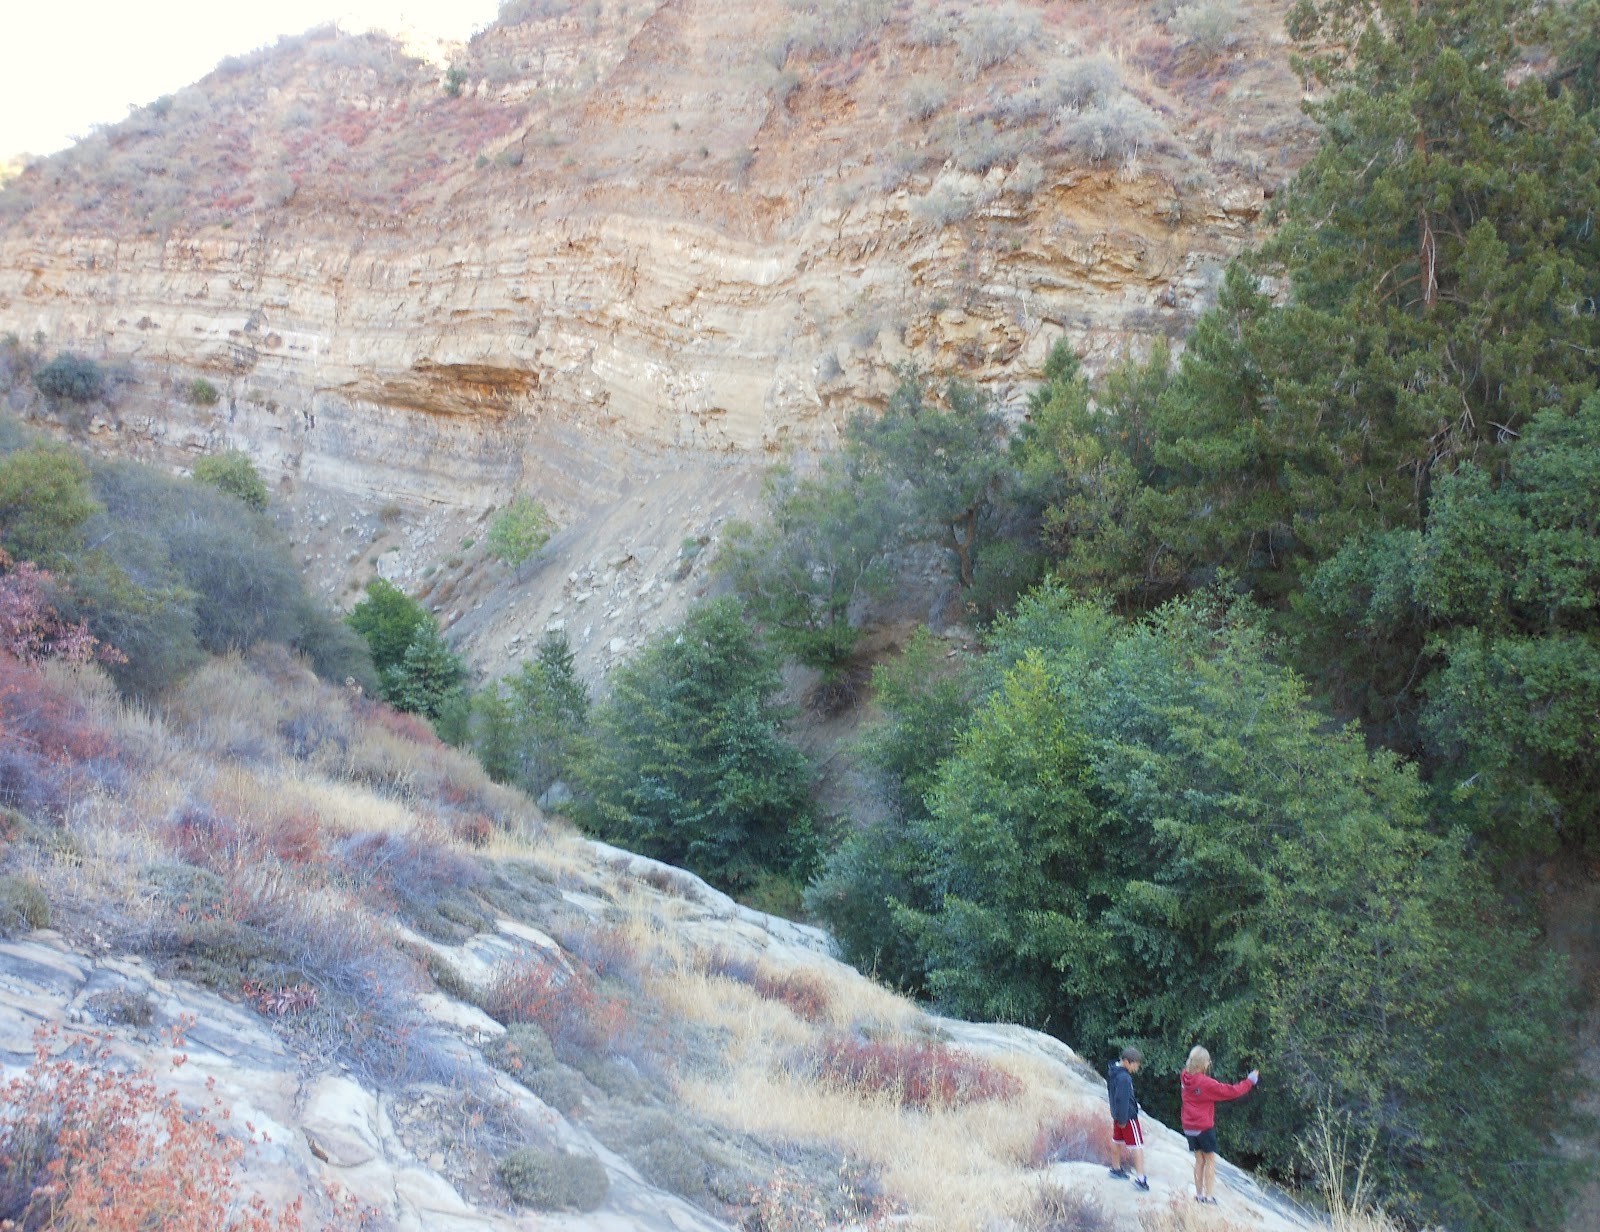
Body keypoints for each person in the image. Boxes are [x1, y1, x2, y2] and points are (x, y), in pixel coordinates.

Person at [1179, 1045, 1258, 1205]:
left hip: (1189, 1126)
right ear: (1203, 1064)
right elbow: (1232, 1091)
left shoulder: (1184, 1076)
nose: (1209, 1063)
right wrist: (1250, 1081)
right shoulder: (1206, 1083)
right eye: (1208, 1061)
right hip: (1203, 1127)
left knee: (1199, 1160)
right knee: (1210, 1160)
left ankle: (1199, 1195)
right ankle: (1208, 1197)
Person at [1105, 1045, 1150, 1191]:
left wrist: (1118, 1116)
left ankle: (1116, 1168)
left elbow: (1114, 1097)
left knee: (1116, 1141)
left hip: (1117, 1114)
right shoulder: (1124, 1078)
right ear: (1126, 1061)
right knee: (1138, 1145)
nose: (1136, 1068)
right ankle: (1141, 1179)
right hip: (1128, 1117)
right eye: (1135, 1065)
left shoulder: (1113, 1071)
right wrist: (1124, 1119)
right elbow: (1122, 1099)